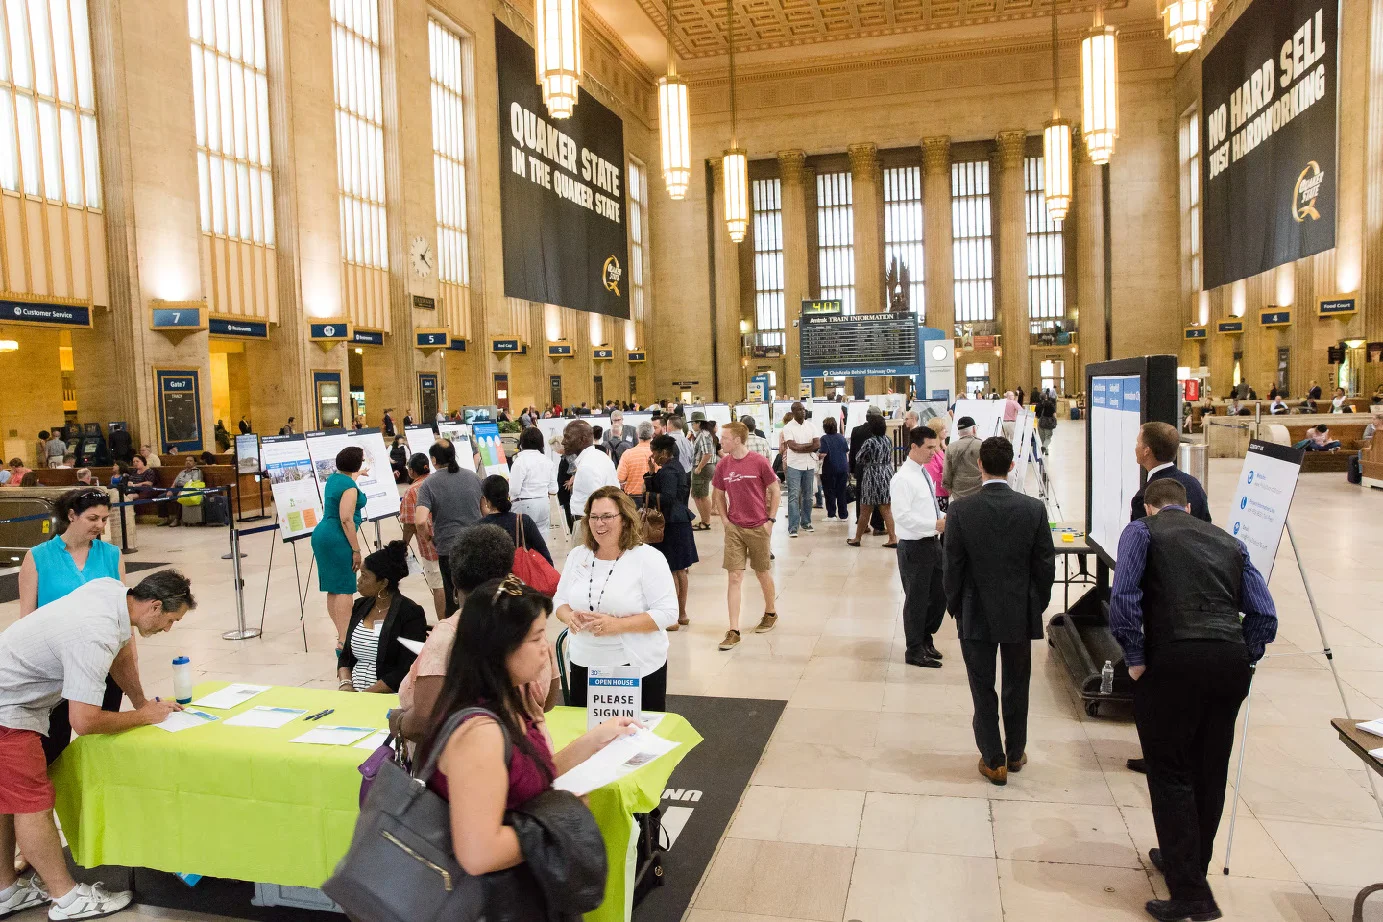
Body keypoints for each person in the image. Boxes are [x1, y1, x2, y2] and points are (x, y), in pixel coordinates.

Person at [412, 576, 640, 905]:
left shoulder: (508, 699)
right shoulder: (480, 734)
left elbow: (524, 777)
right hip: (492, 901)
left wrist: (595, 739)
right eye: (535, 638)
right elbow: (479, 852)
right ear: (500, 647)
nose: (546, 650)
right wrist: (560, 821)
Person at [1109, 478, 1277, 922]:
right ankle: (1190, 865)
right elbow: (1264, 612)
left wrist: (1136, 655)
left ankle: (1191, 896)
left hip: (1174, 659)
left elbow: (1123, 595)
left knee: (1170, 772)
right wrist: (1246, 655)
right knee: (1210, 769)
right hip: (1229, 663)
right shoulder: (1230, 541)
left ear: (1149, 507)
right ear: (1187, 506)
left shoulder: (1142, 532)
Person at [0, 571, 195, 920]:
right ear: (153, 607)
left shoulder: (112, 593)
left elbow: (120, 653)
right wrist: (144, 718)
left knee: (7, 800)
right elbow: (85, 721)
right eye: (170, 620)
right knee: (34, 805)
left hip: (11, 695)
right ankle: (67, 899)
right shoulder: (93, 633)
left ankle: (5, 890)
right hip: (7, 710)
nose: (168, 630)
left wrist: (140, 702)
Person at [944, 436, 1055, 786]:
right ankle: (1016, 750)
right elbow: (1045, 566)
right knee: (1017, 683)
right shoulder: (1033, 509)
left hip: (975, 610)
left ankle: (993, 759)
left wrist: (955, 606)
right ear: (1011, 466)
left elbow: (953, 566)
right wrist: (1036, 603)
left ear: (980, 466)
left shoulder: (961, 510)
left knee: (982, 685)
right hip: (1019, 610)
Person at [390, 524, 560, 744]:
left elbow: (426, 721)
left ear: (454, 585)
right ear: (508, 574)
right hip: (531, 754)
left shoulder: (449, 633)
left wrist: (398, 722)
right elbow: (548, 701)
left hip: (470, 764)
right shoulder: (528, 623)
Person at [17, 488, 126, 765]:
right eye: (92, 518)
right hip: (56, 670)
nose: (100, 526)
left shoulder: (112, 555)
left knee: (100, 744)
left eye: (104, 519)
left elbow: (123, 617)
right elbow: (26, 620)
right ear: (71, 515)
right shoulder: (38, 556)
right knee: (52, 747)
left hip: (103, 663)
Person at [554, 487, 678, 710]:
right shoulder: (577, 556)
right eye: (593, 516)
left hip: (635, 665)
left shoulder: (647, 558)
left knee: (635, 737)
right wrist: (569, 616)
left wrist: (618, 625)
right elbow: (560, 600)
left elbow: (668, 613)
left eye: (607, 516)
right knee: (590, 737)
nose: (599, 523)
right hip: (584, 664)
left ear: (625, 519)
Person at [712, 422, 780, 650]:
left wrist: (770, 520)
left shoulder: (759, 462)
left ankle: (770, 612)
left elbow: (775, 490)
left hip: (759, 526)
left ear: (738, 440)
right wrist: (724, 520)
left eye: (725, 438)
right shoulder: (723, 465)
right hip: (734, 528)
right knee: (734, 577)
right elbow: (718, 494)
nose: (721, 441)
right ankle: (733, 630)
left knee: (762, 572)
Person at [336, 541, 426, 693]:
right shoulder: (360, 606)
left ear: (383, 583)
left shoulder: (410, 613)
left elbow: (406, 668)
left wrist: (366, 695)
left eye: (365, 576)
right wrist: (345, 684)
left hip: (387, 695)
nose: (359, 580)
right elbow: (346, 656)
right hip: (353, 693)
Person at [892, 427, 948, 668]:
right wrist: (935, 524)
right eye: (929, 448)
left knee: (939, 595)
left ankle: (926, 637)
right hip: (914, 548)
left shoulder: (923, 473)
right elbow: (902, 517)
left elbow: (929, 508)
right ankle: (914, 649)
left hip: (932, 542)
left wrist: (946, 519)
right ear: (913, 447)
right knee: (917, 600)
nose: (934, 453)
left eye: (936, 447)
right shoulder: (902, 479)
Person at [414, 440, 485, 617]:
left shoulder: (429, 484)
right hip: (475, 544)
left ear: (433, 459)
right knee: (476, 591)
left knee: (453, 595)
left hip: (448, 547)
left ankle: (455, 635)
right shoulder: (473, 477)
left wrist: (429, 539)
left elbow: (420, 521)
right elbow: (485, 511)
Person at [312, 446, 367, 650]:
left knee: (333, 588)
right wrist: (356, 549)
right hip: (338, 538)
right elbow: (346, 519)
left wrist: (357, 475)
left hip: (322, 535)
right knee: (345, 587)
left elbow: (347, 484)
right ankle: (344, 641)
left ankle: (341, 635)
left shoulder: (335, 479)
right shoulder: (349, 487)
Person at [644, 434, 696, 628]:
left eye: (655, 453)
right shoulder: (677, 468)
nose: (653, 457)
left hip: (670, 524)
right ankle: (681, 613)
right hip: (681, 521)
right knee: (680, 570)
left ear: (664, 452)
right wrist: (651, 474)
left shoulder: (667, 471)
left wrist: (647, 494)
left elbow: (666, 498)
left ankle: (673, 617)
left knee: (671, 571)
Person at [1130, 422, 1211, 523]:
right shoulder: (1195, 485)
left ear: (1146, 451)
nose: (1135, 448)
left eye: (1138, 443)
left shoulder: (1143, 498)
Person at [399, 453, 447, 622]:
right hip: (451, 540)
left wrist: (403, 545)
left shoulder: (412, 491)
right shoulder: (441, 481)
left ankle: (443, 623)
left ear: (411, 471)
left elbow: (411, 524)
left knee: (438, 585)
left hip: (431, 546)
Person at [563, 420, 619, 543]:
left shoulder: (587, 466)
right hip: (596, 525)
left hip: (588, 527)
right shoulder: (600, 456)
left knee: (583, 562)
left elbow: (597, 503)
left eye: (567, 437)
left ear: (582, 440)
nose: (563, 442)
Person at [479, 474, 552, 566]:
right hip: (521, 578)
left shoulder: (477, 528)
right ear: (507, 495)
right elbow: (544, 554)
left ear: (485, 500)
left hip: (493, 579)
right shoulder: (523, 521)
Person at [848, 414, 897, 547]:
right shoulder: (888, 440)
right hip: (886, 474)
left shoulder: (870, 442)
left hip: (872, 475)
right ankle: (893, 538)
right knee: (886, 509)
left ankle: (857, 538)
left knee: (865, 509)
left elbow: (859, 458)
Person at [778, 402, 820, 536]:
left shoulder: (812, 426)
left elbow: (817, 444)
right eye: (800, 410)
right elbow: (793, 446)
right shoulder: (788, 428)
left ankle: (806, 522)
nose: (803, 412)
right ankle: (793, 527)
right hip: (794, 465)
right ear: (794, 412)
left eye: (804, 409)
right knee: (793, 496)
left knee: (808, 496)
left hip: (809, 465)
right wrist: (809, 446)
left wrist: (804, 447)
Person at [508, 427, 553, 532]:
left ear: (522, 442)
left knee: (524, 542)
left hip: (524, 505)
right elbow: (553, 490)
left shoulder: (519, 461)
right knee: (541, 541)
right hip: (544, 503)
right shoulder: (547, 461)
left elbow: (514, 490)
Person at [818, 415, 851, 520]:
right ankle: (843, 515)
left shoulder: (824, 439)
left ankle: (831, 514)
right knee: (841, 492)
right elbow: (846, 451)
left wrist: (816, 455)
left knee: (829, 492)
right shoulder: (841, 437)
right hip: (843, 467)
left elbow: (823, 453)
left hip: (830, 468)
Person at [943, 416, 984, 501]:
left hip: (958, 493)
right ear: (974, 429)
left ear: (959, 432)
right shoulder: (982, 445)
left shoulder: (951, 447)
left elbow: (947, 472)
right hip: (979, 491)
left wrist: (949, 488)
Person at [617, 421, 654, 504]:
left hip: (633, 498)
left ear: (637, 435)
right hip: (653, 497)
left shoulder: (628, 454)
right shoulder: (656, 454)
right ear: (652, 435)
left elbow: (620, 478)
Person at [691, 418, 718, 531]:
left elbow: (707, 453)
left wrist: (699, 467)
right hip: (705, 467)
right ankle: (704, 520)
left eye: (693, 423)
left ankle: (706, 522)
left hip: (704, 468)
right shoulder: (704, 434)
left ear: (699, 423)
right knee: (698, 495)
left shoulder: (704, 435)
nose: (692, 426)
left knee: (702, 495)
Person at [160, 456, 203, 527]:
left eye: (190, 461)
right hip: (177, 489)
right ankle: (165, 519)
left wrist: (183, 491)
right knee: (161, 497)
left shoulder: (197, 472)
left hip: (189, 490)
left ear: (195, 463)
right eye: (186, 460)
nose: (188, 462)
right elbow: (175, 483)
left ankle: (177, 519)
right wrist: (170, 490)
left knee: (181, 498)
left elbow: (194, 483)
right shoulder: (182, 472)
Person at [924, 417, 951, 512]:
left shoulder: (941, 450)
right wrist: (950, 478)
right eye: (943, 429)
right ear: (937, 431)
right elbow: (934, 474)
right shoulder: (931, 451)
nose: (946, 431)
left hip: (944, 492)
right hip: (937, 493)